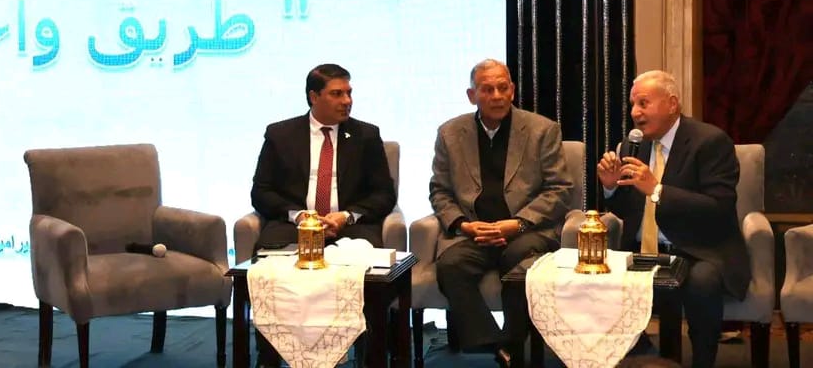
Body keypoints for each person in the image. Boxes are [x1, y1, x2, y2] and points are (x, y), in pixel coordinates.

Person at [598, 70, 750, 368]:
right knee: (596, 283)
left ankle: (703, 362)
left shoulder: (710, 141)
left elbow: (718, 208)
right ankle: (651, 361)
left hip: (699, 249)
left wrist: (658, 190)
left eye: (643, 103)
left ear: (672, 104)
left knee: (702, 282)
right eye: (632, 104)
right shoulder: (632, 145)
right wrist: (610, 187)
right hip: (642, 252)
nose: (635, 113)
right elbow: (629, 210)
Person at [430, 59, 572, 368]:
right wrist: (463, 225)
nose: (496, 96)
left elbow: (560, 189)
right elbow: (439, 191)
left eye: (502, 88)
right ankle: (495, 344)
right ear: (472, 95)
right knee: (451, 265)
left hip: (527, 230)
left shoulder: (542, 130)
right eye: (487, 89)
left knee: (518, 262)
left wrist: (517, 224)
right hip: (476, 232)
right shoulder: (450, 133)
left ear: (512, 91)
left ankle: (512, 345)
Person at [250, 63, 396, 250]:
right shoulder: (280, 135)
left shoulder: (366, 136)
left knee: (361, 260)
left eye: (349, 93)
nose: (347, 101)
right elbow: (261, 192)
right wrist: (300, 216)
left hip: (350, 229)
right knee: (270, 263)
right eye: (337, 94)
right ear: (314, 97)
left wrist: (347, 216)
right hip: (293, 228)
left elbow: (384, 194)